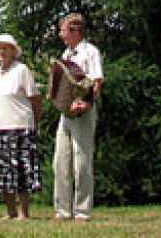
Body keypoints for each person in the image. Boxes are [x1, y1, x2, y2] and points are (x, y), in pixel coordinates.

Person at [53, 13, 104, 222]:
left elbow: (97, 82)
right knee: (60, 162)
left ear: (75, 31)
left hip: (83, 112)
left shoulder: (90, 52)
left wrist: (87, 102)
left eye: (63, 30)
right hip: (66, 114)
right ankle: (62, 211)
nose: (60, 35)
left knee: (82, 162)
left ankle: (82, 211)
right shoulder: (66, 53)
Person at [0, 33, 42, 220]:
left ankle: (23, 211)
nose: (2, 52)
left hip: (20, 126)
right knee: (5, 172)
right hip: (0, 127)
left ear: (13, 51)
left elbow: (35, 98)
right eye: (0, 49)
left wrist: (35, 124)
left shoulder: (21, 70)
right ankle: (10, 211)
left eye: (6, 48)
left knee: (21, 171)